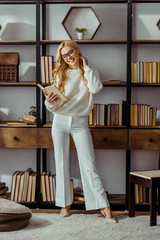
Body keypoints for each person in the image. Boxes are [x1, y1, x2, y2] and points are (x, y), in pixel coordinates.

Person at [44, 40, 117, 223]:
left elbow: (96, 88)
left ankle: (104, 206)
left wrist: (86, 66)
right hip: (59, 121)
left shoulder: (90, 72)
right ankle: (64, 205)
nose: (68, 58)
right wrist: (49, 101)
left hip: (80, 122)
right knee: (61, 163)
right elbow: (54, 106)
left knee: (89, 164)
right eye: (64, 56)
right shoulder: (61, 74)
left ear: (77, 51)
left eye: (70, 53)